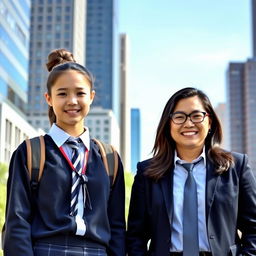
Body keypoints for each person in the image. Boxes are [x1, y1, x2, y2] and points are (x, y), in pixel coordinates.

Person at [3, 49, 126, 256]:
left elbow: (116, 226)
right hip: (45, 250)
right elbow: (17, 222)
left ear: (92, 97)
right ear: (49, 98)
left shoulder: (109, 158)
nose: (72, 101)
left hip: (97, 251)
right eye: (62, 94)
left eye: (80, 93)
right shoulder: (32, 152)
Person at [126, 87, 256, 256]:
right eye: (179, 117)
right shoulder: (147, 172)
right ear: (168, 124)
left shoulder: (236, 166)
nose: (188, 123)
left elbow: (253, 228)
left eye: (196, 116)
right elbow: (136, 236)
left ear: (209, 122)